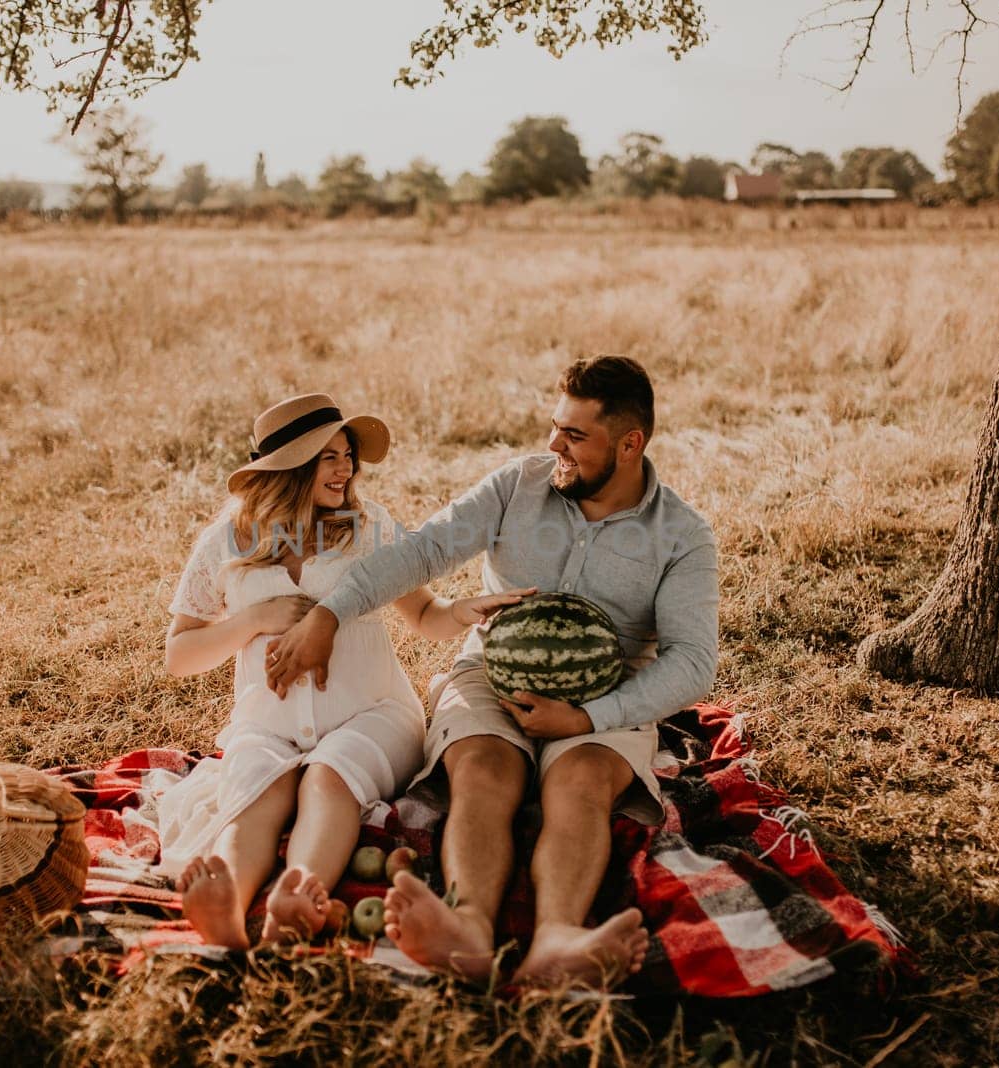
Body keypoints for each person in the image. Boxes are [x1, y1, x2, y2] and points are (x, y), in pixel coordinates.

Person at [265, 356, 721, 988]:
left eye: (574, 435)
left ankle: (559, 939)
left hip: (608, 692)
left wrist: (588, 717)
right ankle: (469, 927)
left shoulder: (682, 535)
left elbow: (694, 661)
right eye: (554, 426)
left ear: (629, 444)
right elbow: (421, 550)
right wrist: (329, 615)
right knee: (480, 768)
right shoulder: (518, 485)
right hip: (490, 669)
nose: (552, 445)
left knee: (582, 781)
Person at [158, 392, 531, 949]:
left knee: (328, 779)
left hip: (372, 712)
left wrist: (462, 612)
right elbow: (179, 654)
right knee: (259, 794)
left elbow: (425, 614)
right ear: (287, 469)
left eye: (346, 454)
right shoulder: (227, 542)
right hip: (267, 721)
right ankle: (227, 908)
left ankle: (295, 897)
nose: (346, 468)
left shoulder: (368, 527)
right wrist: (255, 620)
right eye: (327, 456)